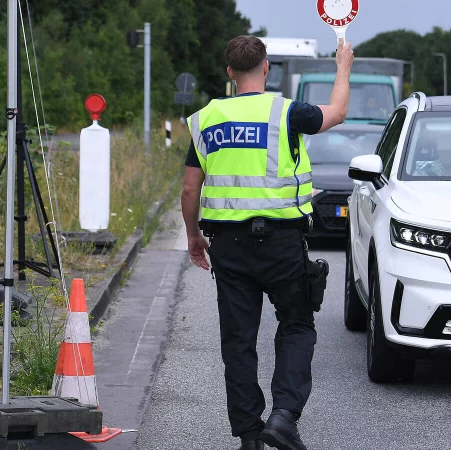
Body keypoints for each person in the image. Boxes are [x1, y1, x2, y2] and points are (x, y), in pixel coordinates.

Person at [181, 36, 354, 450]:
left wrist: (193, 236)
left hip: (228, 245)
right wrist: (343, 66)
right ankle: (283, 417)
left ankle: (249, 435)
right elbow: (337, 113)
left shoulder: (206, 119)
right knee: (296, 324)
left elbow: (190, 189)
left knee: (238, 341)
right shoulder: (286, 112)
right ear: (266, 67)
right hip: (282, 243)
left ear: (229, 73)